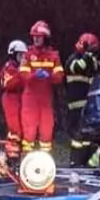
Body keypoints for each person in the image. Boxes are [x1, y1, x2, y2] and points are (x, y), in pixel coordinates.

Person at [18, 20, 63, 153]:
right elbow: (22, 74)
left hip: (46, 99)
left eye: (39, 37)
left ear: (45, 38)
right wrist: (34, 75)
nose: (36, 39)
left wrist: (49, 76)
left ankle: (45, 165)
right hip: (30, 98)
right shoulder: (28, 55)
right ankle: (26, 162)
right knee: (29, 131)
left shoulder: (53, 56)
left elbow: (59, 76)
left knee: (46, 131)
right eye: (34, 36)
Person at [65, 32, 100, 166]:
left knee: (87, 137)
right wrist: (88, 54)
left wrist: (96, 55)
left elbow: (98, 67)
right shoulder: (72, 60)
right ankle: (75, 163)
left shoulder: (90, 60)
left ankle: (85, 164)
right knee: (78, 138)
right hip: (75, 107)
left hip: (87, 106)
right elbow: (79, 67)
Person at [0, 40, 27, 156]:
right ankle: (12, 157)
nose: (23, 58)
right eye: (20, 55)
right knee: (15, 130)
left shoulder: (20, 69)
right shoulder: (8, 68)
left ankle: (20, 156)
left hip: (21, 98)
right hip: (11, 99)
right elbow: (9, 84)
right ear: (13, 55)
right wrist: (22, 72)